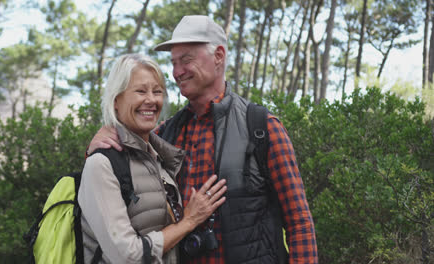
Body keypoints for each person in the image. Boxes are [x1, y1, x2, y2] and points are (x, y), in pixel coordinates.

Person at [88, 16, 318, 263]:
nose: (177, 72)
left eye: (186, 60)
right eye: (174, 63)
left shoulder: (261, 127)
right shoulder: (163, 136)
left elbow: (299, 223)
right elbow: (109, 172)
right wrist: (100, 143)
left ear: (219, 56)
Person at [79, 53, 227, 264]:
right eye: (140, 91)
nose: (151, 100)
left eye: (157, 92)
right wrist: (189, 221)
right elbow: (127, 256)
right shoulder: (101, 164)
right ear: (116, 101)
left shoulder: (162, 160)